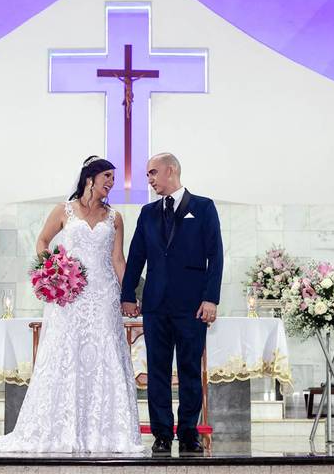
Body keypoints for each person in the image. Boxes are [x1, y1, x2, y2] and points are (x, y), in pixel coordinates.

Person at [0, 156, 142, 453]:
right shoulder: (63, 210)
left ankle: (105, 433)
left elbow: (118, 260)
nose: (111, 182)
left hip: (104, 295)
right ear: (89, 178)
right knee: (65, 354)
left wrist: (129, 295)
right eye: (107, 176)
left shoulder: (114, 217)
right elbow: (42, 241)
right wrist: (53, 271)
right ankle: (61, 428)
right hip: (69, 295)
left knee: (105, 354)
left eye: (113, 178)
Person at [120, 153, 223, 455]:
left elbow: (215, 255)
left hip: (192, 305)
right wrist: (127, 295)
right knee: (158, 371)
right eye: (147, 174)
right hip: (155, 304)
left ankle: (189, 432)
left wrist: (211, 298)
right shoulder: (148, 212)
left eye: (153, 173)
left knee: (190, 369)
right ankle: (162, 433)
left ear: (171, 170)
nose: (149, 179)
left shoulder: (203, 207)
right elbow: (136, 256)